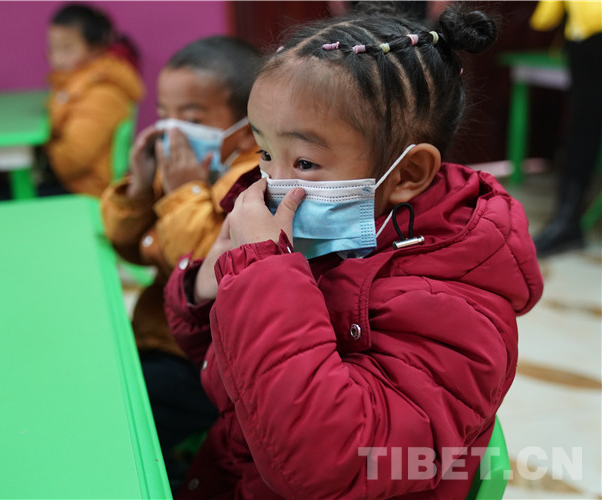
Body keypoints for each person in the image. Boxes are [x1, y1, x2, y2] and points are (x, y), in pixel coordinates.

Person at [164, 5, 544, 499]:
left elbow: (326, 464)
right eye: (264, 153)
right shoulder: (327, 238)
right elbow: (232, 372)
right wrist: (206, 286)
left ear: (407, 175)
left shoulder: (457, 308)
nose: (271, 183)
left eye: (304, 162)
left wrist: (261, 276)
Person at [99, 36, 262, 491]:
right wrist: (137, 191)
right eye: (164, 115)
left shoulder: (249, 182)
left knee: (114, 420)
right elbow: (134, 249)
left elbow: (199, 267)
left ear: (246, 129)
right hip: (158, 337)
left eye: (191, 119)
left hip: (202, 362)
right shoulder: (186, 171)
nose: (172, 131)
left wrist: (182, 194)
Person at [44, 3, 144, 198]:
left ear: (96, 48)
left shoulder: (102, 93)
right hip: (74, 180)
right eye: (52, 48)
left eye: (67, 48)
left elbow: (74, 158)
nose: (56, 58)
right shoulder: (74, 81)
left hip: (88, 189)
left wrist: (43, 157)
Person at [529, 1, 602, 257]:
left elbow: (543, 19)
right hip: (586, 42)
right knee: (582, 131)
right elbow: (543, 19)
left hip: (586, 38)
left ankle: (567, 220)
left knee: (582, 131)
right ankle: (567, 220)